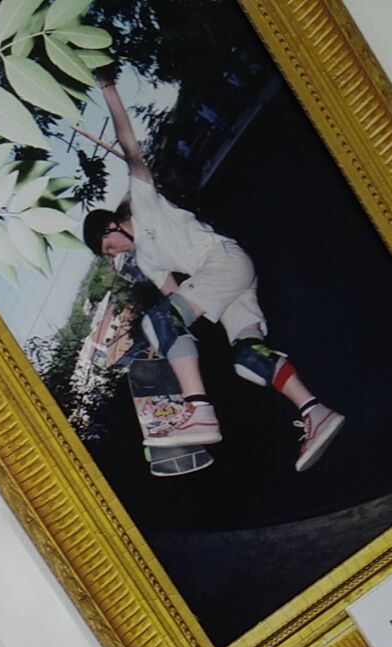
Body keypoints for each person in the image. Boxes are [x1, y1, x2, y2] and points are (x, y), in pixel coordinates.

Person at [82, 69, 344, 472]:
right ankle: (315, 412)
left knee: (161, 321)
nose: (115, 254)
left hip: (224, 261)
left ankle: (199, 410)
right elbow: (175, 302)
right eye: (109, 254)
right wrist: (159, 347)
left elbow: (128, 143)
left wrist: (109, 88)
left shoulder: (143, 202)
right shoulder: (147, 260)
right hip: (230, 284)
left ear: (111, 226)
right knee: (247, 357)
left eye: (109, 246)